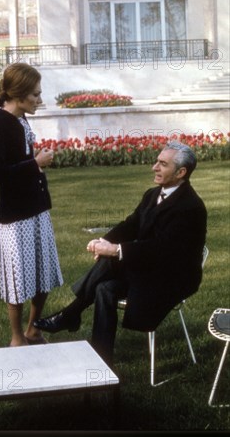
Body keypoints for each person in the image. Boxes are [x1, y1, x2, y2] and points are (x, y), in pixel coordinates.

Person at [34, 141, 207, 365]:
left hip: (172, 277)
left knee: (111, 260)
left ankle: (70, 314)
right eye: (157, 161)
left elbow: (162, 249)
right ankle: (101, 357)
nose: (154, 167)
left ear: (181, 172)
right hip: (149, 268)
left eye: (162, 164)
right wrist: (104, 240)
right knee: (105, 288)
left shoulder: (190, 207)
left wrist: (115, 250)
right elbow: (131, 224)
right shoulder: (152, 194)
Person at [0, 63, 63, 347]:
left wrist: (35, 163)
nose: (40, 100)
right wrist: (35, 163)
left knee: (43, 273)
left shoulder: (21, 120)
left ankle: (33, 330)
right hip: (15, 216)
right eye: (36, 95)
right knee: (17, 278)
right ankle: (17, 337)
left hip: (37, 208)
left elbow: (23, 163)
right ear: (18, 95)